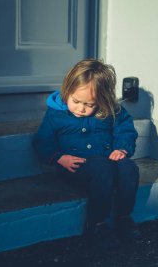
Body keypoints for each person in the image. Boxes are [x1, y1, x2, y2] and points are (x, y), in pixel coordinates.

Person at [33, 59, 140, 249]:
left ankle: (124, 217)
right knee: (101, 169)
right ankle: (97, 224)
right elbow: (43, 141)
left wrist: (122, 148)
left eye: (90, 104)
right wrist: (58, 157)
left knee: (129, 168)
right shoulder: (56, 114)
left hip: (108, 162)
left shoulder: (111, 111)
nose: (81, 109)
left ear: (102, 99)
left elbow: (125, 130)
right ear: (67, 92)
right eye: (76, 101)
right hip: (75, 166)